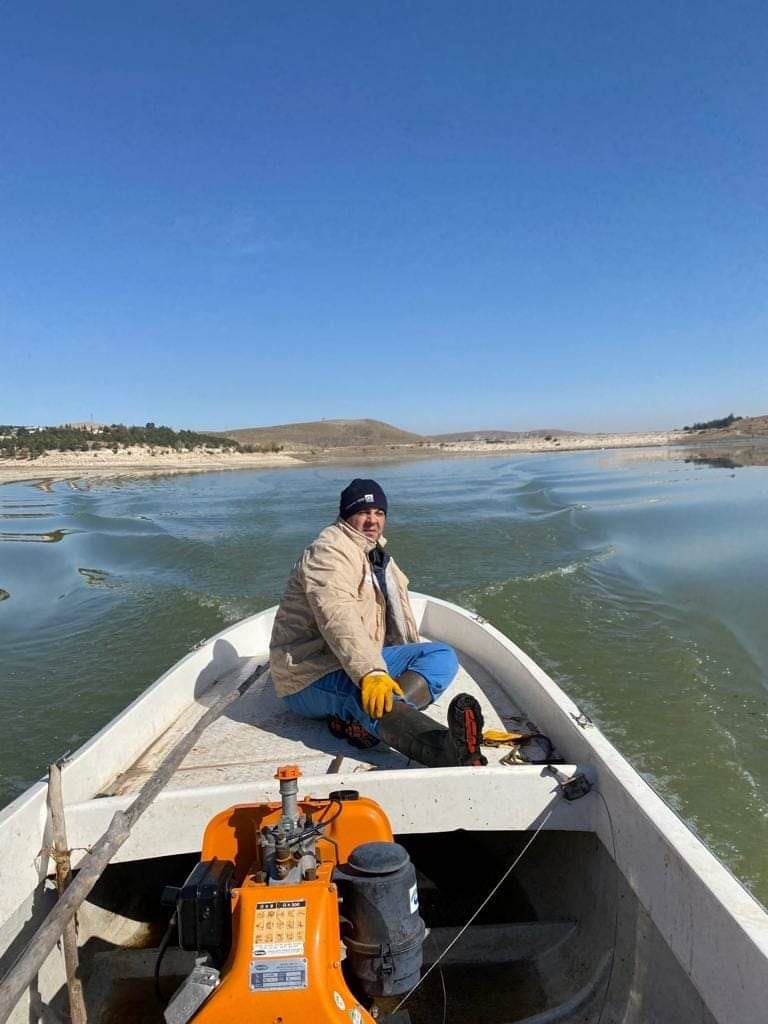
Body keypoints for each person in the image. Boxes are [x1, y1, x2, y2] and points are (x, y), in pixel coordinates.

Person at [270, 478, 486, 767]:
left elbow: (400, 618)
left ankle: (375, 720)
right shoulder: (328, 553)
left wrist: (388, 671)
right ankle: (441, 749)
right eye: (364, 512)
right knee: (361, 696)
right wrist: (371, 672)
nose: (373, 520)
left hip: (356, 658)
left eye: (379, 513)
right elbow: (338, 616)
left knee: (440, 655)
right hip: (310, 672)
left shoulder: (376, 554)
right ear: (347, 515)